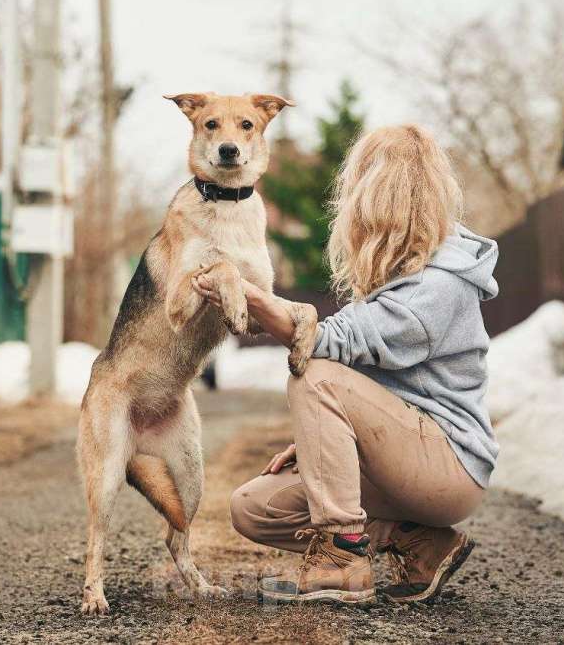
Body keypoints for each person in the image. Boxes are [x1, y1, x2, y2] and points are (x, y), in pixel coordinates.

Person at [192, 124, 499, 605]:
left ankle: (343, 557)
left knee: (313, 373)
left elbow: (334, 342)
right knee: (252, 508)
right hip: (401, 461)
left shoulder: (443, 283)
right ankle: (422, 544)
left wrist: (253, 297)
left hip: (447, 468)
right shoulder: (402, 274)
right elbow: (367, 371)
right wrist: (322, 441)